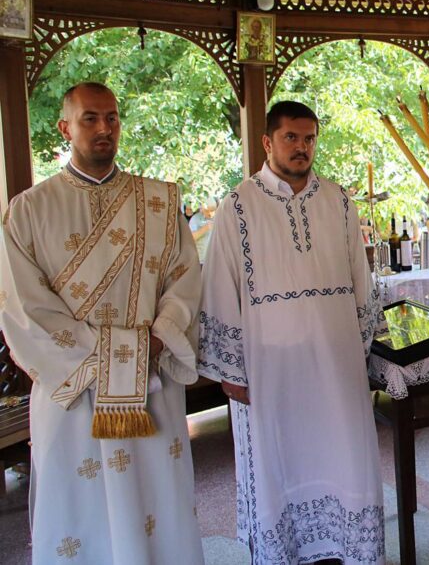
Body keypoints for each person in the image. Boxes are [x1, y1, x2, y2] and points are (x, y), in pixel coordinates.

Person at [0, 82, 204, 564]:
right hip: (74, 390)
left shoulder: (158, 201)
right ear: (65, 127)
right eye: (89, 118)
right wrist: (115, 356)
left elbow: (185, 280)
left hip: (150, 382)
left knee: (158, 509)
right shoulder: (29, 210)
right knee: (82, 516)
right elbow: (23, 307)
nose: (103, 128)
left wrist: (157, 340)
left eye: (111, 118)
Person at [197, 101, 385, 564]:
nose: (302, 147)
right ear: (268, 142)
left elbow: (361, 281)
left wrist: (362, 349)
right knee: (278, 469)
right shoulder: (237, 206)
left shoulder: (339, 201)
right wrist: (231, 371)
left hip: (335, 364)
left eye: (309, 139)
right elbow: (219, 287)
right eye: (291, 138)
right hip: (271, 371)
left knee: (346, 458)